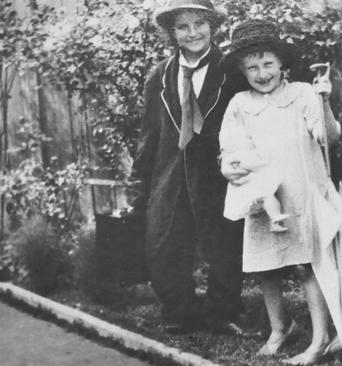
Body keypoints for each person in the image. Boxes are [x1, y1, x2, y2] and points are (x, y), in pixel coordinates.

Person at [219, 19, 342, 365]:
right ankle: (280, 327)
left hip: (302, 197)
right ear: (242, 70)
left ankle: (320, 339)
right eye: (252, 67)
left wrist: (325, 102)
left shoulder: (303, 93)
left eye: (268, 64)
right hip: (265, 199)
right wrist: (229, 167)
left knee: (307, 266)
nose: (261, 73)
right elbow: (231, 151)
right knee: (266, 267)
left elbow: (327, 138)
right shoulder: (240, 104)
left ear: (281, 64)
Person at [130, 0, 248, 335]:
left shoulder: (231, 70)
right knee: (165, 240)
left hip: (217, 170)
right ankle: (178, 311)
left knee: (223, 240)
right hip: (170, 171)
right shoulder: (160, 75)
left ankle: (221, 311)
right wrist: (140, 181)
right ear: (172, 32)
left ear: (212, 25)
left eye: (199, 23)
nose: (192, 32)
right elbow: (149, 132)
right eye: (183, 27)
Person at [220, 121, 289, 232]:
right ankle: (274, 218)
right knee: (268, 197)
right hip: (251, 186)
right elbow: (251, 165)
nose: (250, 140)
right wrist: (265, 162)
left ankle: (275, 219)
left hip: (256, 183)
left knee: (269, 198)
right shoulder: (240, 155)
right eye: (247, 138)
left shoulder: (246, 152)